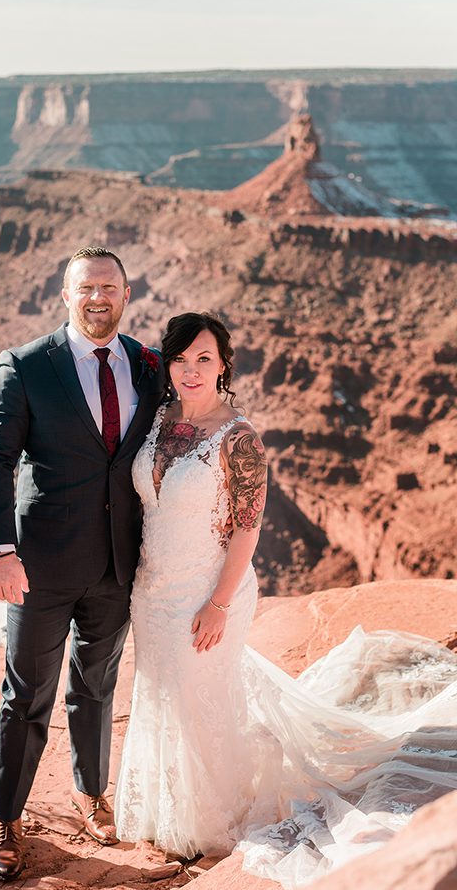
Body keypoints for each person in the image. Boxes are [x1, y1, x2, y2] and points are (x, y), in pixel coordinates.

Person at [115, 312, 457, 886]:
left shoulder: (238, 438)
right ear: (167, 365)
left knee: (203, 700)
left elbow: (248, 528)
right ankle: (166, 810)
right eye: (181, 359)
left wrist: (218, 604)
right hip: (152, 590)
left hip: (207, 590)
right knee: (164, 694)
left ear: (224, 364)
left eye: (205, 359)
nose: (192, 370)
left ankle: (211, 823)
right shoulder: (158, 418)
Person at [0, 246, 165, 879]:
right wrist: (0, 549)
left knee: (96, 687)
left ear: (127, 293)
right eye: (86, 288)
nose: (98, 298)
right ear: (65, 295)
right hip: (40, 568)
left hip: (117, 565)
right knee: (26, 694)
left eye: (109, 287)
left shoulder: (148, 365)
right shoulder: (27, 367)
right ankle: (5, 815)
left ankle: (90, 791)